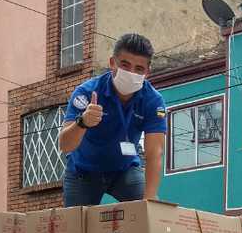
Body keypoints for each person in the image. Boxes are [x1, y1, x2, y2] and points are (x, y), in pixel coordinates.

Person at [58, 33, 167, 207]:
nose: (131, 73)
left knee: (151, 214)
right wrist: (82, 122)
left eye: (139, 69)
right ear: (112, 63)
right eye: (125, 65)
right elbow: (65, 145)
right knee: (75, 230)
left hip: (124, 171)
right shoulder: (86, 92)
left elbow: (155, 153)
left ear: (147, 72)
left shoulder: (153, 100)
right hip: (82, 172)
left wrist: (150, 198)